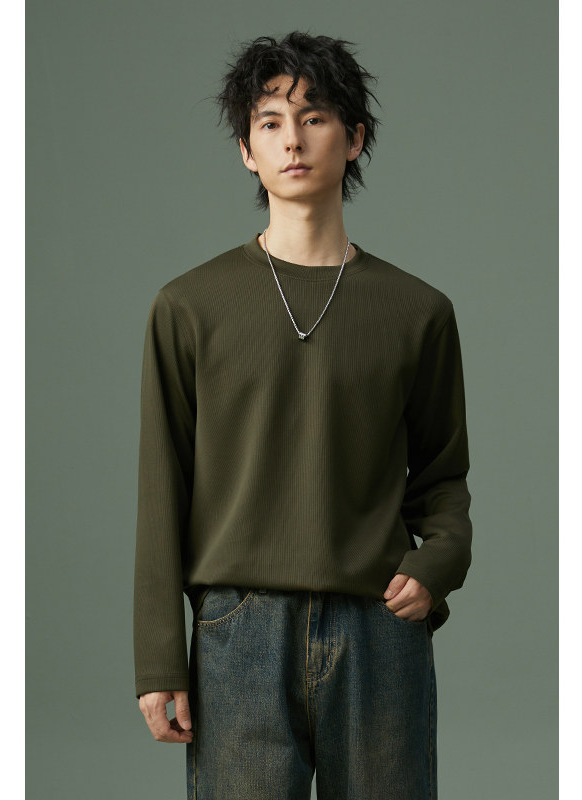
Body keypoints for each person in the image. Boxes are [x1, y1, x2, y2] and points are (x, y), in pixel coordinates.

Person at [133, 31, 473, 799]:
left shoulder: (417, 311)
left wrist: (438, 565)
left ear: (353, 139)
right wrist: (158, 659)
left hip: (378, 624)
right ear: (246, 149)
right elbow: (163, 488)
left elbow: (443, 476)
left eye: (315, 118)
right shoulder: (189, 307)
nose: (293, 139)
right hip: (237, 629)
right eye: (270, 122)